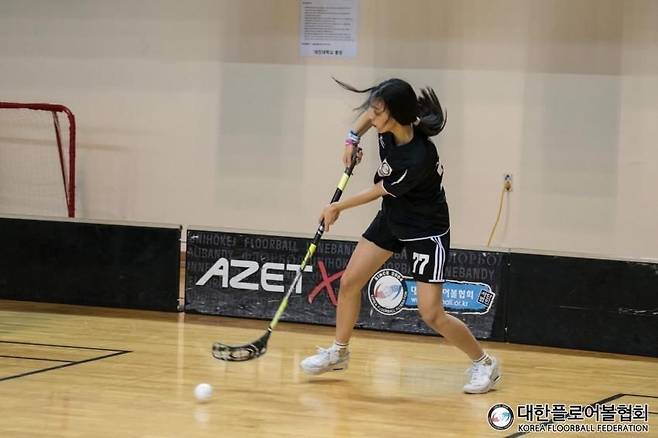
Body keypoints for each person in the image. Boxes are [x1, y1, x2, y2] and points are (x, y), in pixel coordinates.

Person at [300, 78, 500, 394]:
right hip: (394, 217)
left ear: (395, 115)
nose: (371, 115)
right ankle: (339, 352)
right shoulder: (388, 127)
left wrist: (337, 207)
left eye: (378, 111)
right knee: (350, 282)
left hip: (425, 230)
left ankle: (485, 363)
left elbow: (379, 189)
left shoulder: (418, 156)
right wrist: (351, 139)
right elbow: (366, 120)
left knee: (432, 313)